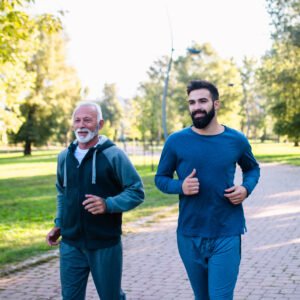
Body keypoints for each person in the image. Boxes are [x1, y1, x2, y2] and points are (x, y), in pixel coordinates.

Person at [155, 80, 260, 300]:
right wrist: (180, 186)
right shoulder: (176, 141)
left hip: (227, 231)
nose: (197, 107)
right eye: (192, 102)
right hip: (189, 233)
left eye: (202, 101)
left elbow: (252, 169)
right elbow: (160, 179)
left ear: (216, 104)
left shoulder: (236, 140)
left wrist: (245, 188)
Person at [46, 101, 144, 300]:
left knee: (111, 297)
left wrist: (108, 204)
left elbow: (136, 191)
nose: (82, 125)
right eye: (77, 120)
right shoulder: (64, 157)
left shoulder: (113, 155)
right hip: (71, 243)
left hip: (105, 243)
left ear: (100, 124)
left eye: (87, 120)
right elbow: (62, 193)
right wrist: (59, 224)